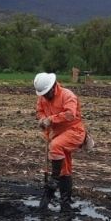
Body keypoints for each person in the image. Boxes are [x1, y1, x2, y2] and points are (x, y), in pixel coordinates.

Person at [33, 72, 86, 212]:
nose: (44, 96)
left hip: (74, 131)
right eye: (42, 94)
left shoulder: (67, 95)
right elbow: (40, 111)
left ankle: (54, 180)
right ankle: (66, 202)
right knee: (65, 168)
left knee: (55, 146)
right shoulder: (42, 98)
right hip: (56, 133)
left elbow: (70, 114)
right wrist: (42, 119)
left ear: (52, 87)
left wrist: (51, 119)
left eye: (46, 93)